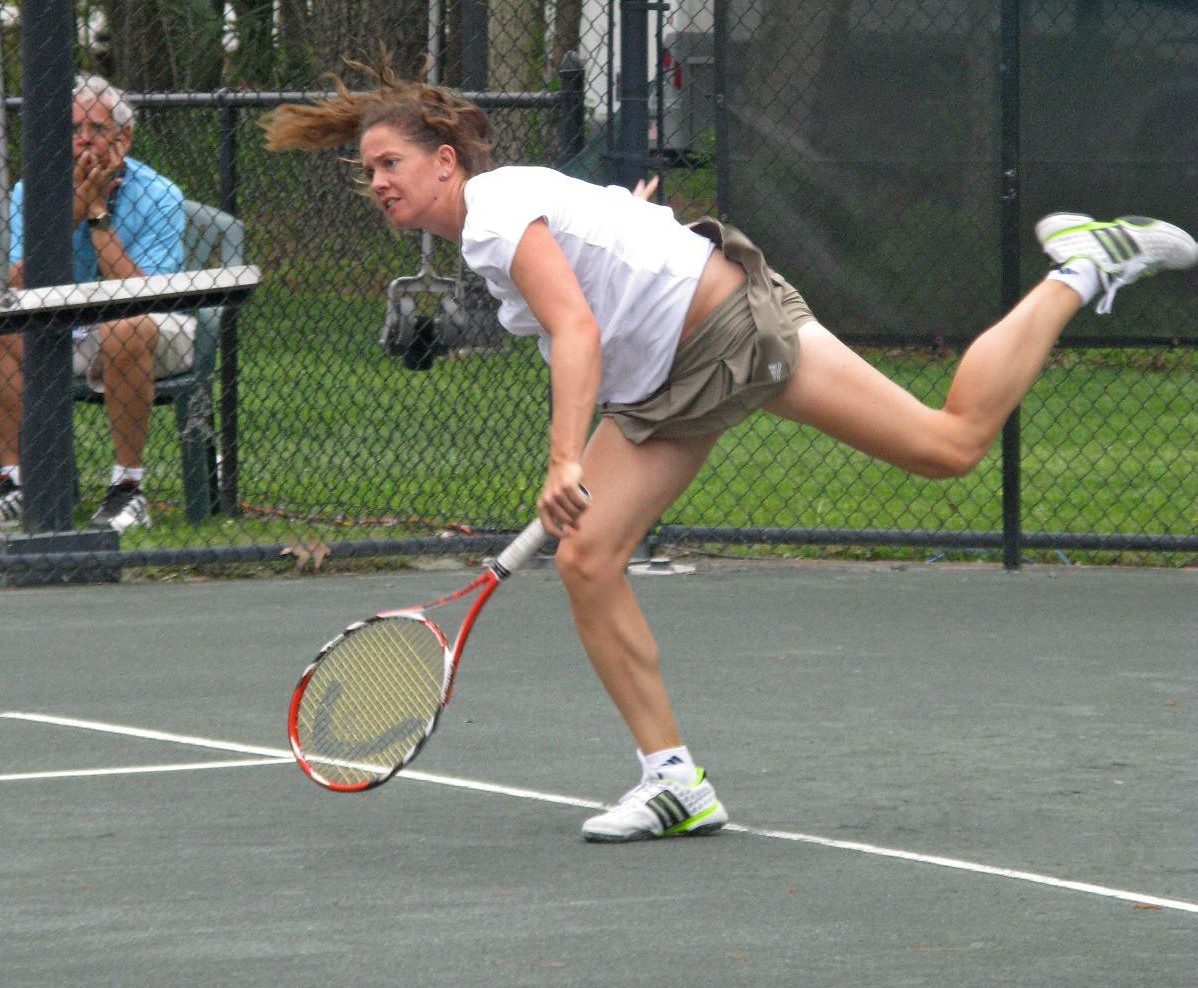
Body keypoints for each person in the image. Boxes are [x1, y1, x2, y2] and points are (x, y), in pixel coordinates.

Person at [262, 61, 1197, 843]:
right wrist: (625, 226)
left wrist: (563, 462)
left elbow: (577, 329)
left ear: (445, 162)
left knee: (948, 444)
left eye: (388, 162)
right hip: (666, 385)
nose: (376, 180)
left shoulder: (498, 212)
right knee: (589, 560)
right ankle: (673, 781)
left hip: (731, 335)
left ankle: (1084, 264)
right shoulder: (493, 225)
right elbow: (595, 281)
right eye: (367, 169)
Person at [0, 75, 195, 533]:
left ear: (124, 137)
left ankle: (128, 489)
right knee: (5, 327)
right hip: (62, 326)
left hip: (156, 328)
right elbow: (18, 282)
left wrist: (97, 215)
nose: (84, 139)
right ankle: (12, 484)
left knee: (122, 327)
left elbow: (145, 297)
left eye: (98, 128)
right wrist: (75, 204)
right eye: (73, 130)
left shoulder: (161, 194)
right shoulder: (33, 190)